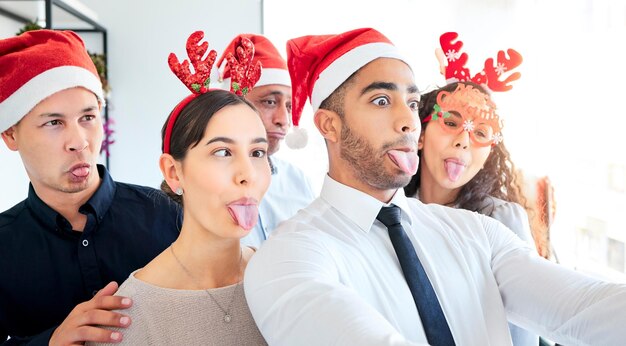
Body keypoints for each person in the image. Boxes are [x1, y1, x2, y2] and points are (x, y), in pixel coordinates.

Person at [243, 27, 626, 346]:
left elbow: (582, 308)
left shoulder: (479, 234)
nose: (408, 122)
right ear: (329, 125)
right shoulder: (288, 259)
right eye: (380, 100)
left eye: (411, 102)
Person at [0, 30, 182, 345]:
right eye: (54, 123)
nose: (80, 142)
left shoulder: (167, 215)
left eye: (88, 117)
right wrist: (50, 342)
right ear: (10, 135)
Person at [89, 31, 269, 345]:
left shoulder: (284, 277)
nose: (248, 175)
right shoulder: (128, 317)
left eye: (257, 153)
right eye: (222, 152)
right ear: (174, 172)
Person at [404, 81, 538, 346]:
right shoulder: (393, 212)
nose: (463, 141)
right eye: (451, 124)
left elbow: (523, 333)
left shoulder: (500, 219)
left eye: (481, 132)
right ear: (420, 134)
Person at [217, 34, 316, 247]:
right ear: (231, 104)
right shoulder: (203, 181)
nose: (283, 120)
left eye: (289, 106)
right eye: (270, 102)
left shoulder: (299, 182)